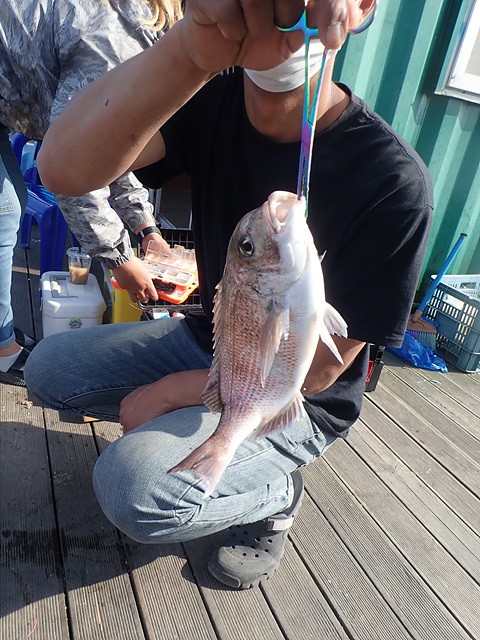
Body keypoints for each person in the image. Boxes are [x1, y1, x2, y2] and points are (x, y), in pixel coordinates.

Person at [26, 0, 433, 589]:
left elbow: (321, 371)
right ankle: (206, 438)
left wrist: (175, 390)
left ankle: (274, 491)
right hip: (212, 340)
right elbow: (63, 168)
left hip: (293, 393)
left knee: (132, 489)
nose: (270, 10)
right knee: (47, 367)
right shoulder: (210, 97)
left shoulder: (394, 183)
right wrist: (191, 49)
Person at [0, 0, 182, 385]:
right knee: (3, 212)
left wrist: (145, 227)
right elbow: (73, 169)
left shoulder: (142, 38)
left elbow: (109, 154)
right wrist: (119, 259)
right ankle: (1, 348)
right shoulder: (115, 43)